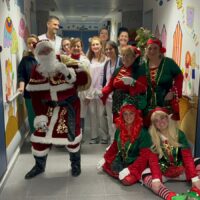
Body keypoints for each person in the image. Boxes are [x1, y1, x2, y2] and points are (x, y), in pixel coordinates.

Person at [24, 40, 90, 179]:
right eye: (42, 52)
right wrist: (39, 116)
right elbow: (35, 96)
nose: (45, 54)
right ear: (37, 55)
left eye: (47, 50)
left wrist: (67, 72)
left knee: (72, 138)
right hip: (48, 110)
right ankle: (39, 166)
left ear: (53, 51)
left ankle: (75, 165)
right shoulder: (37, 70)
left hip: (69, 107)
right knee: (39, 138)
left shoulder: (65, 61)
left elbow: (84, 80)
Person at [142, 107, 200, 200]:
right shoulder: (152, 138)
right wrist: (156, 179)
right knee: (146, 175)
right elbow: (153, 161)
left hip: (182, 171)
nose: (160, 122)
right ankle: (171, 196)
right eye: (156, 121)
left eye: (162, 118)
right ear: (154, 125)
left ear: (167, 118)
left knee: (198, 161)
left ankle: (195, 193)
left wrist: (194, 178)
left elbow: (187, 157)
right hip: (163, 173)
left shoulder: (179, 134)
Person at [96, 101, 152, 185]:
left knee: (126, 181)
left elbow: (144, 157)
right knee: (107, 165)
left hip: (137, 162)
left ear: (136, 114)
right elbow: (114, 146)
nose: (128, 116)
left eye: (131, 113)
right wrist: (105, 157)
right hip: (122, 159)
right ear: (122, 115)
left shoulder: (143, 133)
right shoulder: (120, 129)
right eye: (125, 114)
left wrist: (130, 169)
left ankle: (136, 173)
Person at [100, 45, 147, 122]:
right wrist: (103, 92)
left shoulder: (139, 70)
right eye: (123, 55)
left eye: (128, 55)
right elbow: (110, 86)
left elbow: (143, 88)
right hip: (117, 104)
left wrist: (133, 82)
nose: (125, 58)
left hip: (132, 106)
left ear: (134, 57)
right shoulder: (118, 70)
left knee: (131, 128)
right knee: (118, 128)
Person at [144, 37, 183, 122]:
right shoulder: (143, 64)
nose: (152, 51)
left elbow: (179, 77)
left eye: (155, 48)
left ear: (160, 50)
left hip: (165, 104)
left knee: (165, 130)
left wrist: (173, 92)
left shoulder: (169, 63)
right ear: (146, 50)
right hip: (148, 105)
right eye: (150, 48)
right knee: (150, 130)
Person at [87, 36, 108, 144]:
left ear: (101, 45)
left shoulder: (106, 59)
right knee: (92, 114)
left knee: (101, 114)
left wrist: (104, 90)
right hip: (91, 90)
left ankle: (104, 136)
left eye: (97, 44)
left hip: (101, 91)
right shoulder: (89, 59)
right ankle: (94, 136)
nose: (95, 46)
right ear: (91, 47)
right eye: (93, 45)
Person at [17, 34, 39, 134]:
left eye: (33, 43)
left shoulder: (44, 57)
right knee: (32, 115)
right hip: (30, 93)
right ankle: (35, 136)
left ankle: (45, 136)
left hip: (44, 93)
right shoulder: (25, 60)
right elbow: (21, 75)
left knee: (43, 114)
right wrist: (21, 87)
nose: (31, 45)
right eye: (29, 43)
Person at [102, 40, 122, 143]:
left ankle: (120, 142)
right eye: (107, 49)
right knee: (110, 119)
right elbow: (105, 81)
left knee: (119, 120)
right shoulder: (107, 63)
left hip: (119, 96)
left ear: (115, 49)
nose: (109, 51)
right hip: (109, 96)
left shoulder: (121, 61)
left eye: (111, 49)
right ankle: (112, 141)